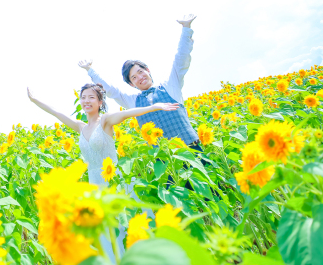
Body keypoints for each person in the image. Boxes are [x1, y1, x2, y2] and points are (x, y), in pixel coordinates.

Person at [26, 84, 179, 260]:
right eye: (83, 97)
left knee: (130, 223)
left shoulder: (105, 121)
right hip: (95, 186)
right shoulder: (80, 127)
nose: (86, 100)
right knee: (109, 232)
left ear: (100, 102)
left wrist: (153, 107)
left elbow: (127, 114)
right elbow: (56, 113)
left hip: (116, 181)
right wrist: (35, 100)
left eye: (91, 97)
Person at [78, 14, 200, 148]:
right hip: (161, 156)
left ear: (148, 70)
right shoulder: (133, 101)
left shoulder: (171, 86)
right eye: (134, 77)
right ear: (131, 84)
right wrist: (89, 70)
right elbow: (111, 90)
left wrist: (186, 28)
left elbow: (181, 59)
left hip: (190, 149)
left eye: (140, 72)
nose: (140, 77)